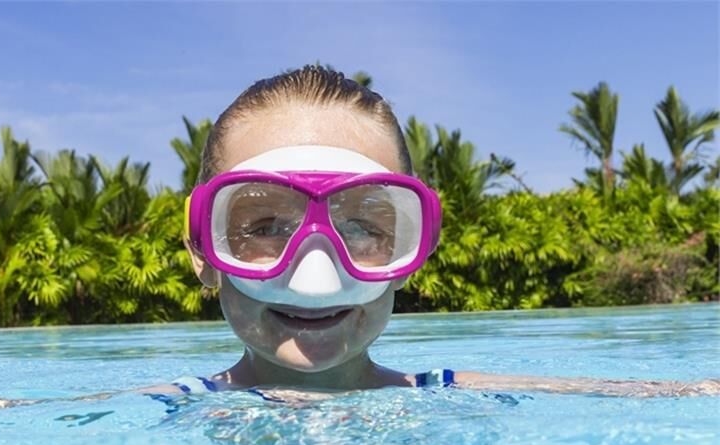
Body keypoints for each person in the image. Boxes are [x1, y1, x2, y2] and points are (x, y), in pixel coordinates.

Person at [138, 65, 718, 402]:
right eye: (265, 226)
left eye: (362, 225)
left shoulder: (448, 395)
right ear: (202, 249)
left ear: (411, 247)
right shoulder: (160, 410)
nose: (315, 269)